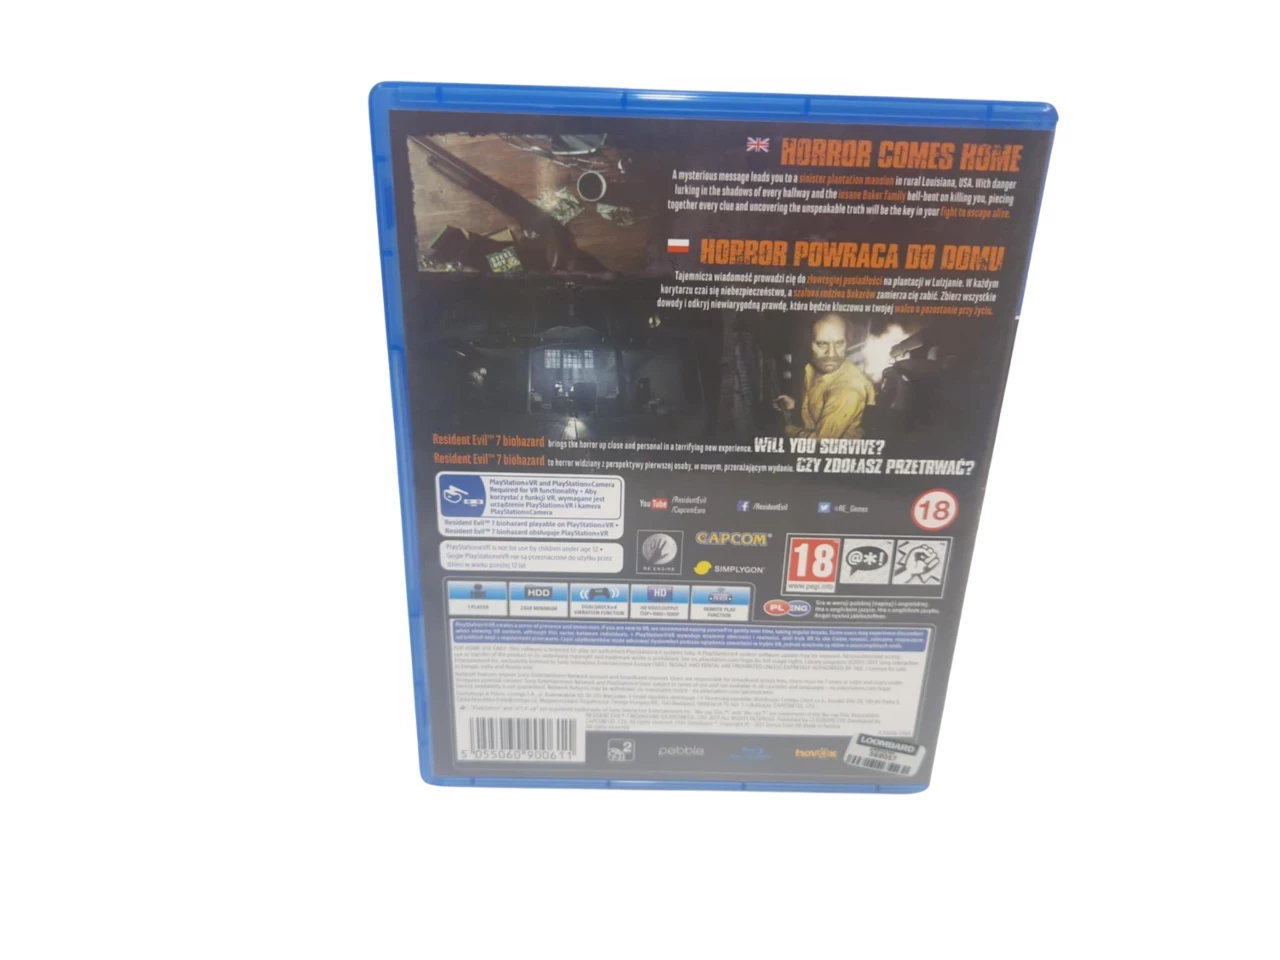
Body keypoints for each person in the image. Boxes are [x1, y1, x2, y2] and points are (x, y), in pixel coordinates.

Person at [774, 315, 876, 439]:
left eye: (839, 343)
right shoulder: (811, 369)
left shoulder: (848, 389)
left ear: (847, 342)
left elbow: (821, 441)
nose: (831, 354)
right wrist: (796, 406)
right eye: (822, 344)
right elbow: (818, 409)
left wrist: (788, 430)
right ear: (809, 343)